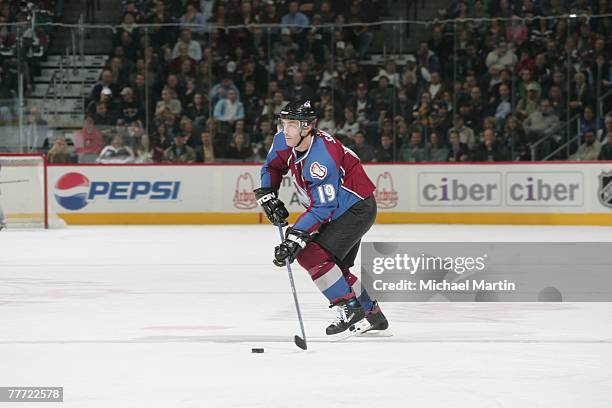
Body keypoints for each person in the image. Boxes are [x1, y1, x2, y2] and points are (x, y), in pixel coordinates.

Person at [254, 99, 389, 336]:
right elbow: (272, 167)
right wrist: (267, 193)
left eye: (292, 124)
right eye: (283, 123)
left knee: (310, 254)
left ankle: (348, 308)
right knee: (333, 268)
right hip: (338, 209)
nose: (285, 129)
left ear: (306, 127)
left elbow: (324, 207)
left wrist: (296, 236)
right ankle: (372, 315)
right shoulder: (283, 140)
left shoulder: (320, 159)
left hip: (355, 209)